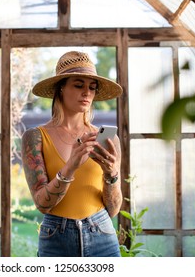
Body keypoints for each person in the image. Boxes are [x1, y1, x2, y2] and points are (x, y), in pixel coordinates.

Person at [21, 51, 123, 257]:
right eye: (78, 85)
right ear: (61, 88)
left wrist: (111, 174)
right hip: (56, 238)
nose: (87, 93)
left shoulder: (107, 139)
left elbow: (113, 210)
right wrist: (71, 165)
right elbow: (42, 204)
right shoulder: (35, 137)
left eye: (92, 88)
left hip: (102, 233)